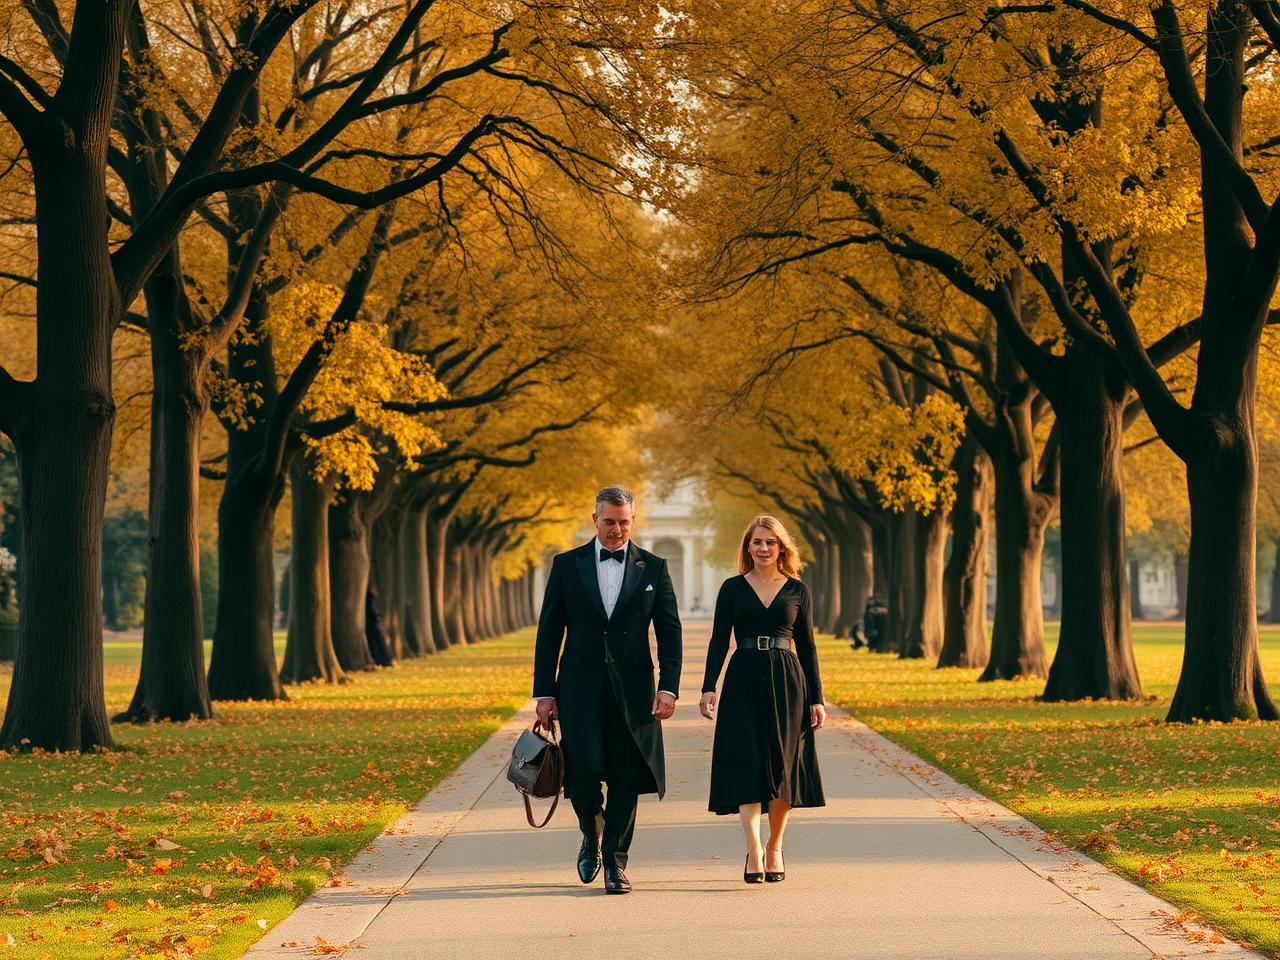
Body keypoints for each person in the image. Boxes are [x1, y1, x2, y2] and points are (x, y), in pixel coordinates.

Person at [532, 485, 682, 894]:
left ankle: (616, 862)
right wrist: (544, 692)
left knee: (625, 776)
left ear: (633, 522)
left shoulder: (653, 567)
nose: (617, 529)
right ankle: (590, 830)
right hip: (578, 691)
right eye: (609, 521)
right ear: (594, 518)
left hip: (635, 693)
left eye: (624, 522)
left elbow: (669, 631)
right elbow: (549, 632)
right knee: (580, 775)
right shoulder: (567, 565)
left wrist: (669, 688)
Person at [700, 515, 826, 884]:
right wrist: (709, 687)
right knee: (747, 762)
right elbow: (719, 640)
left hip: (788, 681)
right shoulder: (732, 588)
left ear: (782, 547)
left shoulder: (798, 590)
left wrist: (816, 698)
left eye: (771, 542)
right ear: (748, 548)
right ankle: (754, 849)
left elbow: (808, 647)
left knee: (783, 766)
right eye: (758, 542)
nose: (765, 548)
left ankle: (775, 847)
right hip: (743, 679)